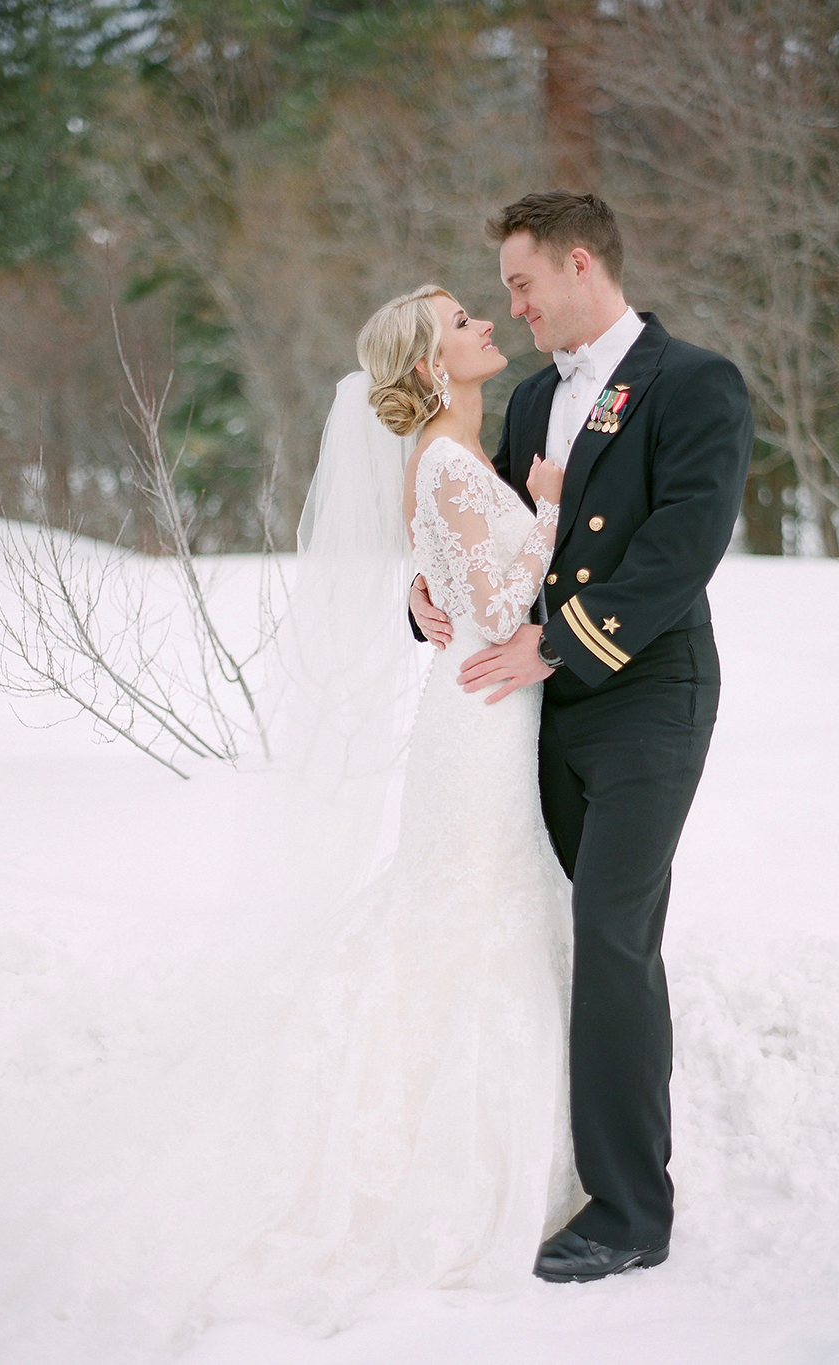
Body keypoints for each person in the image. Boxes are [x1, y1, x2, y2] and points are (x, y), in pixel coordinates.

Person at [207, 283, 583, 1326]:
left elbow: (452, 590)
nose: (484, 328)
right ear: (430, 365)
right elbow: (499, 606)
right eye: (463, 322)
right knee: (469, 906)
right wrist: (551, 503)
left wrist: (459, 568)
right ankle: (452, 1154)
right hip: (480, 718)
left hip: (485, 711)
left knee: (480, 903)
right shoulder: (454, 466)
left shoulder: (456, 464)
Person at [411, 191, 754, 1280]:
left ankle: (628, 1209)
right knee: (544, 928)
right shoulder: (525, 405)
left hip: (646, 690)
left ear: (575, 265)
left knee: (611, 925)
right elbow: (502, 544)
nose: (511, 310)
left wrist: (562, 643)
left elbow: (681, 546)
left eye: (519, 285)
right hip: (538, 709)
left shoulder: (694, 381)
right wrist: (426, 595)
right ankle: (531, 1154)